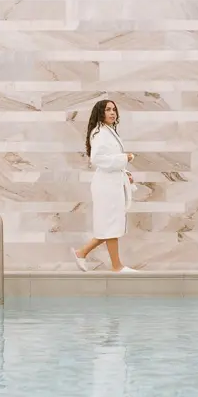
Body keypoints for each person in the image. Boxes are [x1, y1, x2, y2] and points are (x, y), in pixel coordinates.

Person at [72, 99, 137, 272]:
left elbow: (110, 159)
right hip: (106, 186)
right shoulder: (99, 133)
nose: (112, 112)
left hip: (111, 182)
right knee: (110, 224)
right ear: (100, 112)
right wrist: (125, 158)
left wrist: (125, 174)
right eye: (108, 109)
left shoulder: (108, 131)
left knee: (111, 224)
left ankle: (82, 253)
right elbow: (98, 159)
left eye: (114, 109)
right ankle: (117, 266)